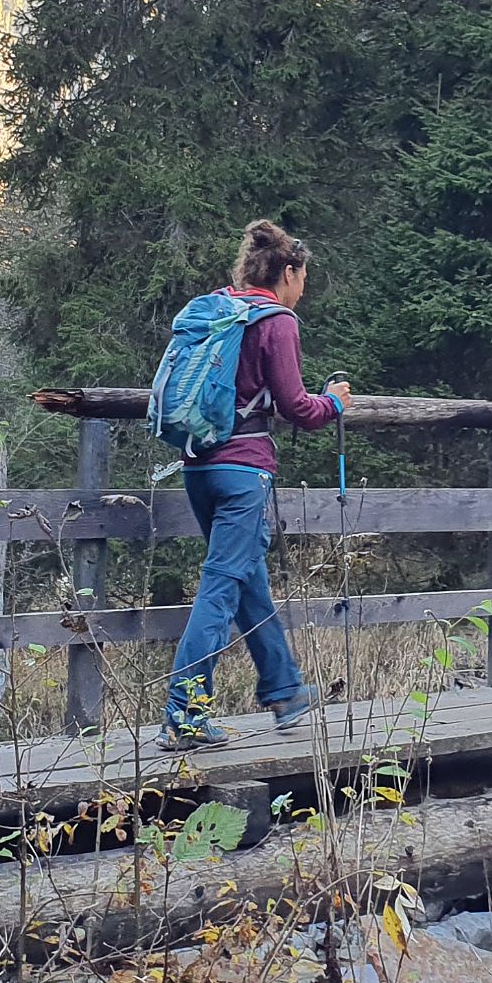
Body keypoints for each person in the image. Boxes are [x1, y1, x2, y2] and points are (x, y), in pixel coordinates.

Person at [162, 220, 353, 750]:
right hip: (244, 470)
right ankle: (184, 716)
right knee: (220, 589)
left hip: (198, 464)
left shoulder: (218, 309)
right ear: (287, 272)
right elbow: (296, 407)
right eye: (302, 278)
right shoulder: (277, 321)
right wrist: (334, 402)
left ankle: (284, 690)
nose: (303, 289)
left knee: (245, 579)